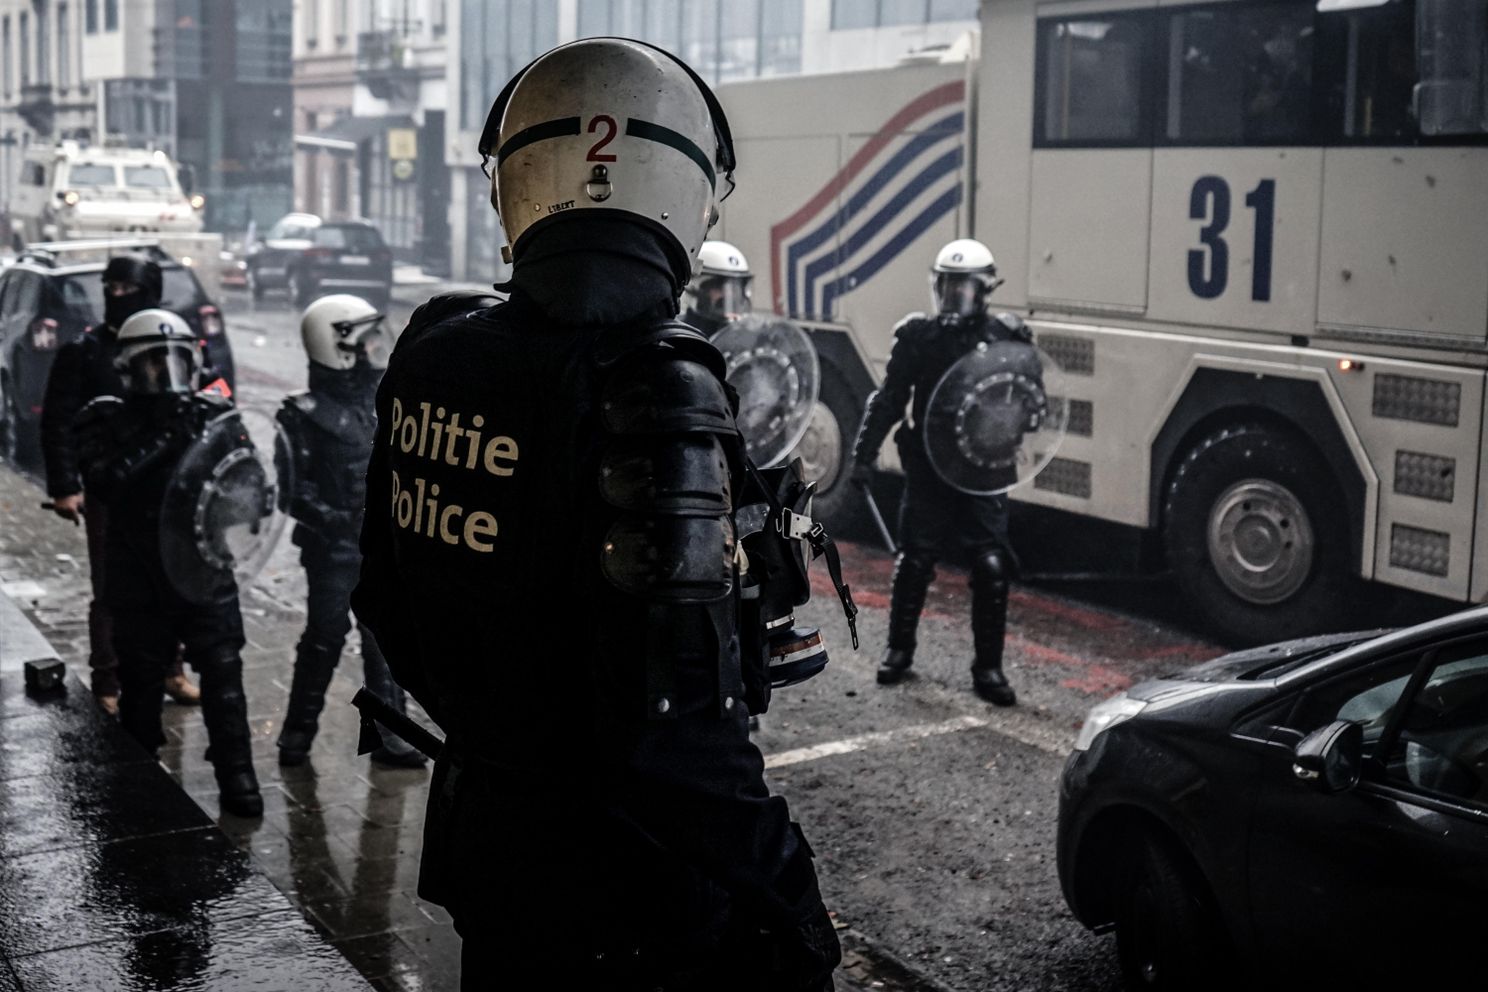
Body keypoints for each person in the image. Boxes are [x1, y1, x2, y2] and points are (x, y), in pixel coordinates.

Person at [352, 38, 839, 991]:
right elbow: (674, 735)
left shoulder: (434, 349)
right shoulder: (655, 380)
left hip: (492, 848)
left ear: (515, 181)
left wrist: (510, 728)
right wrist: (795, 901)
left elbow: (386, 596)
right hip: (634, 898)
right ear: (688, 191)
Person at [72, 308, 262, 817]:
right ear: (129, 367)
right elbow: (105, 481)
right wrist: (170, 436)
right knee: (140, 686)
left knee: (224, 681)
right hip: (140, 574)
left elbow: (250, 483)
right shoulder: (104, 416)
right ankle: (139, 786)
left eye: (175, 360)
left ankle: (238, 777)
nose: (167, 374)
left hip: (204, 568)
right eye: (154, 362)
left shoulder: (214, 412)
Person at [850, 238, 1022, 706]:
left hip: (983, 470)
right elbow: (888, 399)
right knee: (914, 561)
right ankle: (899, 651)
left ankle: (988, 668)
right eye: (947, 287)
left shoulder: (1008, 337)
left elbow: (1026, 401)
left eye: (963, 289)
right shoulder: (919, 337)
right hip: (928, 466)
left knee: (990, 566)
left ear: (984, 290)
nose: (953, 298)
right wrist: (863, 456)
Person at [41, 253, 201, 715]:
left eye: (125, 290)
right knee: (112, 587)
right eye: (109, 289)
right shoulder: (87, 350)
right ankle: (108, 681)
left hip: (168, 488)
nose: (115, 297)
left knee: (170, 577)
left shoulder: (172, 340)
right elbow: (59, 421)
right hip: (110, 488)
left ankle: (172, 670)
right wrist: (65, 485)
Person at [275, 294, 424, 769]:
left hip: (380, 545)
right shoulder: (301, 414)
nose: (371, 348)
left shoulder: (382, 393)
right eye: (361, 341)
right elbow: (290, 493)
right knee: (324, 636)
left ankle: (392, 738)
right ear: (334, 344)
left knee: (384, 639)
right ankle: (295, 737)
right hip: (333, 552)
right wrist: (337, 520)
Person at [681, 239, 753, 336]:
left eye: (736, 288)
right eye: (718, 287)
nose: (729, 294)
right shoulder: (679, 334)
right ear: (696, 290)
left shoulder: (746, 336)